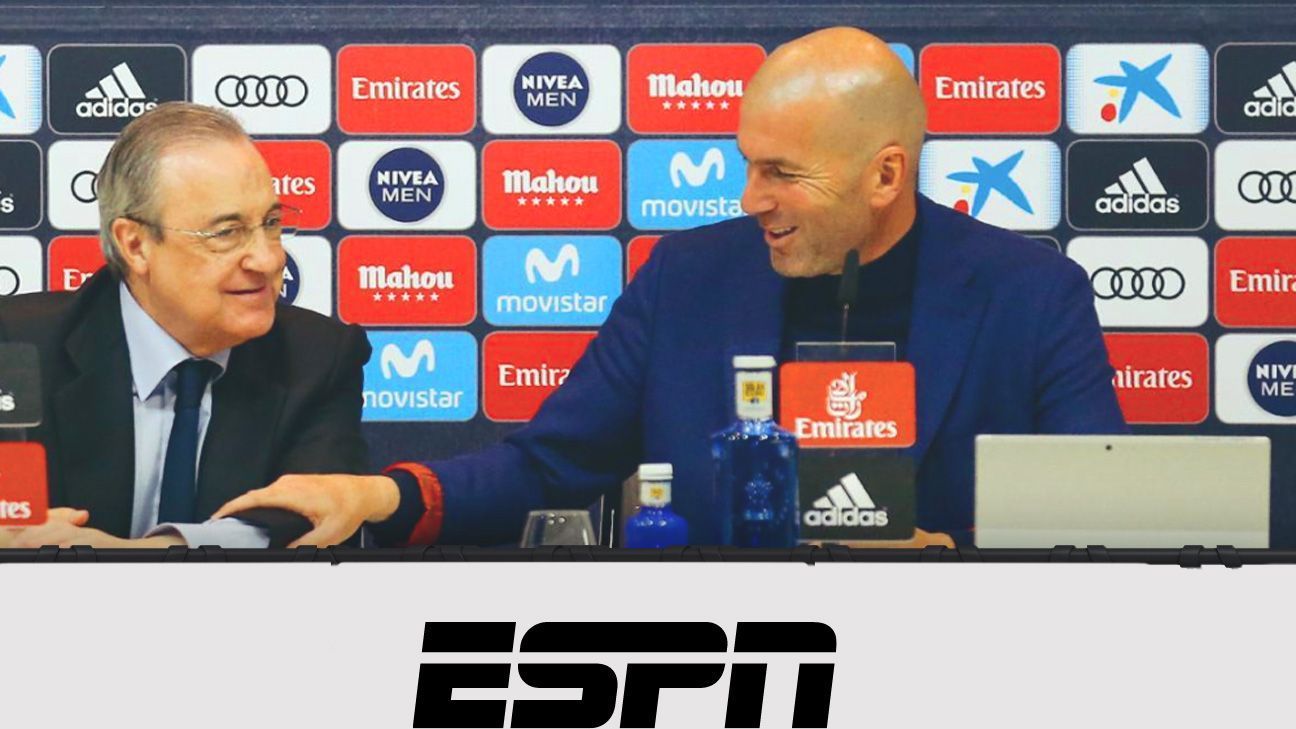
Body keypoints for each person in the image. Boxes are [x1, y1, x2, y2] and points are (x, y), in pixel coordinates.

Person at [216, 27, 1128, 547]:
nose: (752, 200)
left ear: (885, 175)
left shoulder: (1032, 295)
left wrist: (961, 566)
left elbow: (1102, 530)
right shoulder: (691, 278)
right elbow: (549, 464)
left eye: (783, 174)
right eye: (748, 165)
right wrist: (381, 497)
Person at [0, 102, 371, 549]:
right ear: (136, 245)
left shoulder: (318, 357)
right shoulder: (15, 352)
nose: (268, 259)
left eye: (271, 223)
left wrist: (120, 556)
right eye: (226, 233)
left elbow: (311, 525)